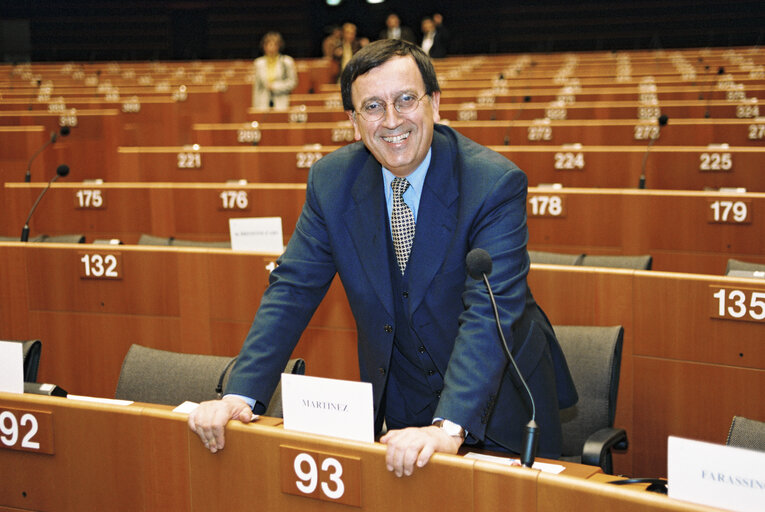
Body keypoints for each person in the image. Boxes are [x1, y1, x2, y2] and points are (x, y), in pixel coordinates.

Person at [189, 39, 577, 478]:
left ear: (434, 102)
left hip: (502, 404)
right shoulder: (332, 182)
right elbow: (292, 288)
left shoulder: (493, 183)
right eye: (372, 107)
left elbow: (489, 313)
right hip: (405, 408)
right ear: (354, 123)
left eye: (406, 100)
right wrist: (239, 396)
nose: (392, 121)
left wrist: (449, 428)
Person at [252, 32, 297, 110]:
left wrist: (275, 86)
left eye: (274, 45)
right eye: (269, 45)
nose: (271, 48)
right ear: (264, 46)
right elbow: (257, 88)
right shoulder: (258, 63)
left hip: (281, 101)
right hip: (263, 103)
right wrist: (255, 106)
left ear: (279, 46)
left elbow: (292, 82)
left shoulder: (287, 62)